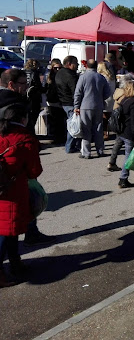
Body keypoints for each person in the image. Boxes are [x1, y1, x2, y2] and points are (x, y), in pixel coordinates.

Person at [0, 96, 43, 286]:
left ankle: (16, 263)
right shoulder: (25, 139)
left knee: (8, 231)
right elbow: (35, 171)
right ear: (23, 119)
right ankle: (5, 272)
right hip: (12, 192)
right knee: (6, 232)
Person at [74, 59, 111, 159]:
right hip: (98, 106)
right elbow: (108, 93)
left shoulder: (83, 77)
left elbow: (78, 93)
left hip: (85, 106)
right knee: (98, 129)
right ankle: (100, 150)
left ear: (87, 66)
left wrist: (76, 106)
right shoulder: (101, 77)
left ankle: (86, 152)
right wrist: (100, 98)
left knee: (86, 129)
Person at [55, 56, 81, 154]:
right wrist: (77, 105)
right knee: (74, 124)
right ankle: (69, 146)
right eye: (76, 62)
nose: (77, 64)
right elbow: (75, 91)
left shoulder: (59, 73)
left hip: (63, 101)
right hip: (70, 102)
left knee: (72, 123)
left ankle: (75, 145)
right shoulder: (70, 76)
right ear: (69, 64)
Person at [45, 59, 66, 144]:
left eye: (59, 68)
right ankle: (55, 137)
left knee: (60, 120)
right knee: (53, 120)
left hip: (60, 100)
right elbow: (46, 87)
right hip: (52, 100)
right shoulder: (49, 76)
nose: (57, 70)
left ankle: (61, 137)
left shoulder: (62, 76)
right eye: (56, 68)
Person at [98, 61, 117, 139]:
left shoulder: (101, 77)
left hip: (104, 99)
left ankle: (105, 133)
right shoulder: (111, 77)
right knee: (108, 117)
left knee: (104, 118)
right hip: (111, 98)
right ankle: (107, 132)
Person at [24, 59, 43, 132]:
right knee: (34, 116)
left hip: (25, 96)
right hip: (34, 97)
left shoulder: (23, 72)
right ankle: (31, 132)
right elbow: (38, 85)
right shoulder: (34, 73)